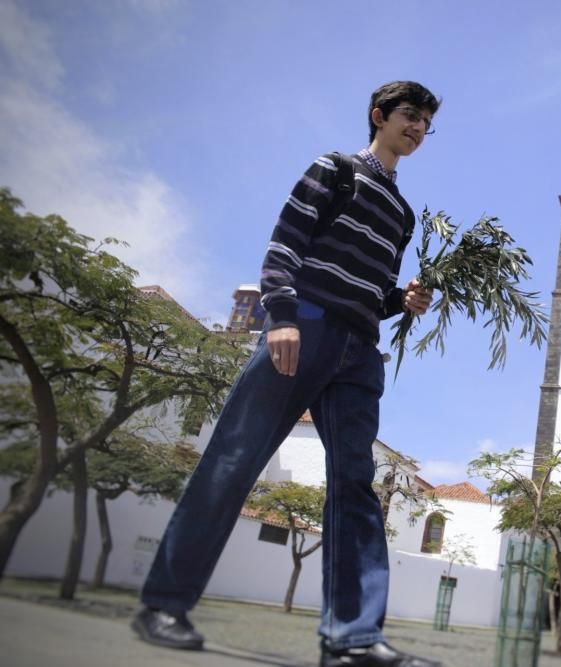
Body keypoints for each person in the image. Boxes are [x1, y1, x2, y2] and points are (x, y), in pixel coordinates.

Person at [131, 81, 443, 667]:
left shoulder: (402, 214)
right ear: (379, 116)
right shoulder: (337, 170)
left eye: (427, 122)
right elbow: (286, 245)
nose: (418, 128)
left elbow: (371, 294)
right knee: (233, 459)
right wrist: (280, 315)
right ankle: (164, 604)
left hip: (359, 354)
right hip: (303, 328)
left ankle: (351, 640)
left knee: (355, 487)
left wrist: (402, 299)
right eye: (410, 116)